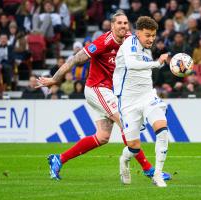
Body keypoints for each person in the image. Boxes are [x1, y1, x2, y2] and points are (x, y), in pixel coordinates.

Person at [36, 11, 170, 181]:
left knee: (102, 137)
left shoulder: (130, 40)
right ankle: (148, 169)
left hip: (111, 91)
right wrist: (54, 79)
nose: (123, 26)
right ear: (112, 26)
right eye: (119, 23)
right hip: (97, 88)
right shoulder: (103, 43)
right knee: (125, 121)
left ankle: (59, 159)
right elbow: (75, 59)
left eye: (125, 23)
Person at [113, 16, 169, 187]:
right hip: (128, 101)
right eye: (147, 35)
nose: (151, 39)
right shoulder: (129, 43)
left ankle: (157, 175)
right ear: (137, 33)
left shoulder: (147, 49)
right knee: (134, 147)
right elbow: (131, 64)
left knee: (162, 130)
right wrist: (157, 64)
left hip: (147, 97)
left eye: (153, 35)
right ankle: (123, 161)